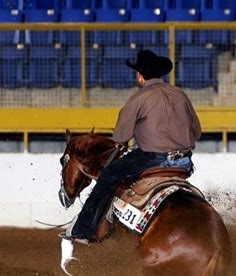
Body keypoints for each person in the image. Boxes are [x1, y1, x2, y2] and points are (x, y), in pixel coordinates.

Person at [61, 49, 202, 244]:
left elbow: (120, 137)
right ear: (160, 74)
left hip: (153, 160)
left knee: (109, 175)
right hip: (185, 162)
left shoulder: (139, 98)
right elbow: (197, 132)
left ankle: (83, 229)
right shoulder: (180, 94)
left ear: (140, 75)